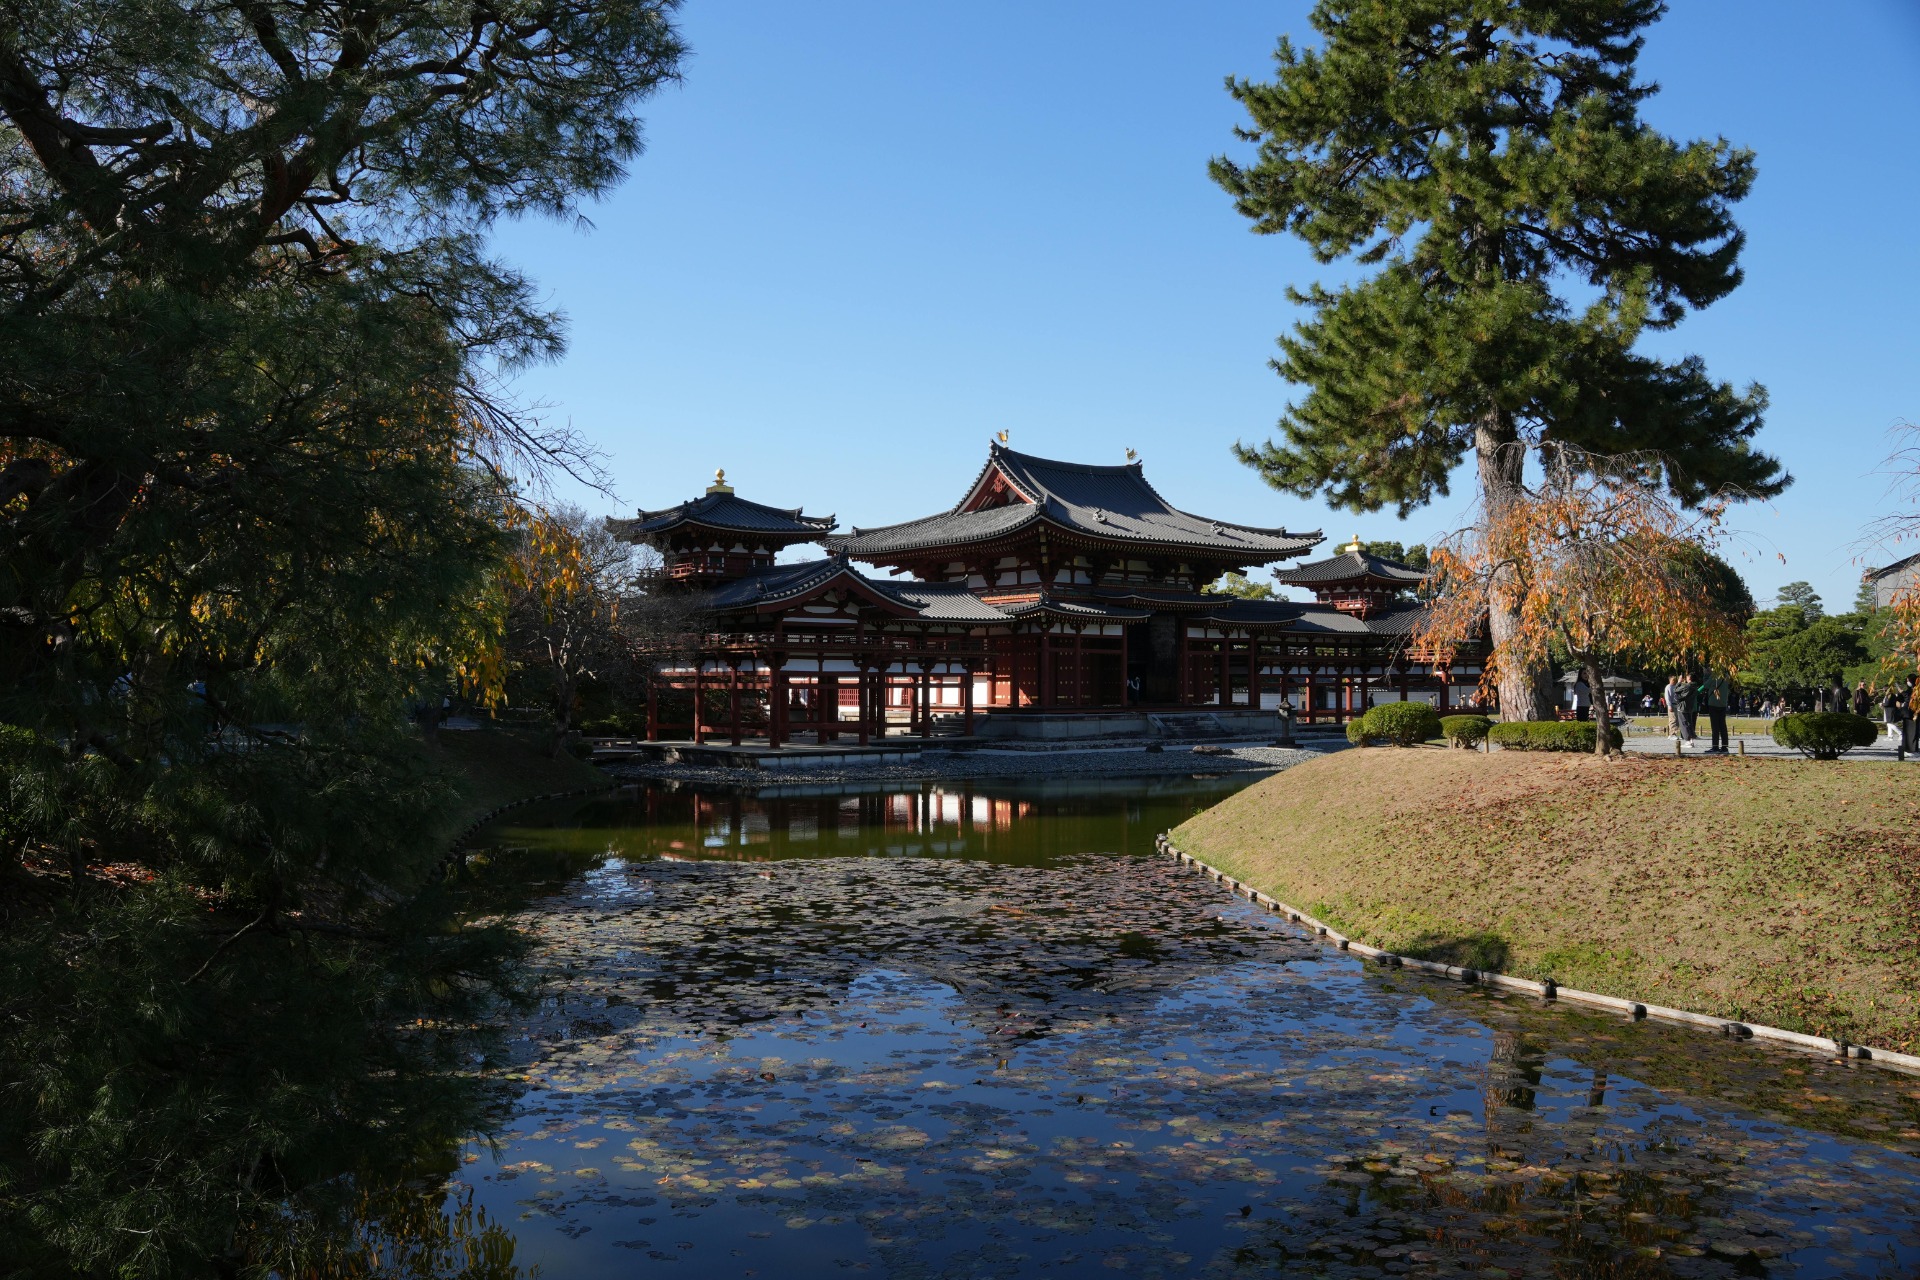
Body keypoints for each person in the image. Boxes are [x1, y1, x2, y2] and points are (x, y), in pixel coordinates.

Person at [1700, 670, 1731, 754]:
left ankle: (1715, 746)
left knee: (1715, 727)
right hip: (1723, 703)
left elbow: (1706, 685)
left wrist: (1706, 675)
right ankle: (1724, 746)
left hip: (1714, 703)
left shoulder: (1715, 677)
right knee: (1723, 726)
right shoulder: (1726, 676)